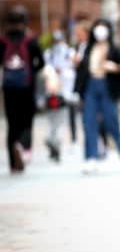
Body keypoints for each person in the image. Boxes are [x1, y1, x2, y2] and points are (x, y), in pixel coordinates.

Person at [74, 19, 120, 173]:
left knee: (111, 120)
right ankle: (91, 157)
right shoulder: (89, 47)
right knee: (88, 121)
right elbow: (83, 69)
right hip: (90, 86)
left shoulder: (114, 48)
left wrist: (115, 67)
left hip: (107, 86)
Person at [0, 6, 44, 173]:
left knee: (12, 124)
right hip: (27, 86)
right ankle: (23, 146)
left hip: (9, 88)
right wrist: (30, 69)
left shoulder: (2, 41)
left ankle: (13, 164)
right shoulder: (31, 40)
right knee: (27, 121)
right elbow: (41, 63)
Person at [43, 27, 75, 161]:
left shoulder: (69, 53)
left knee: (61, 121)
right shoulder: (48, 54)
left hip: (64, 93)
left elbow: (72, 72)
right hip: (51, 93)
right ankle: (52, 140)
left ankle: (55, 142)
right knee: (53, 120)